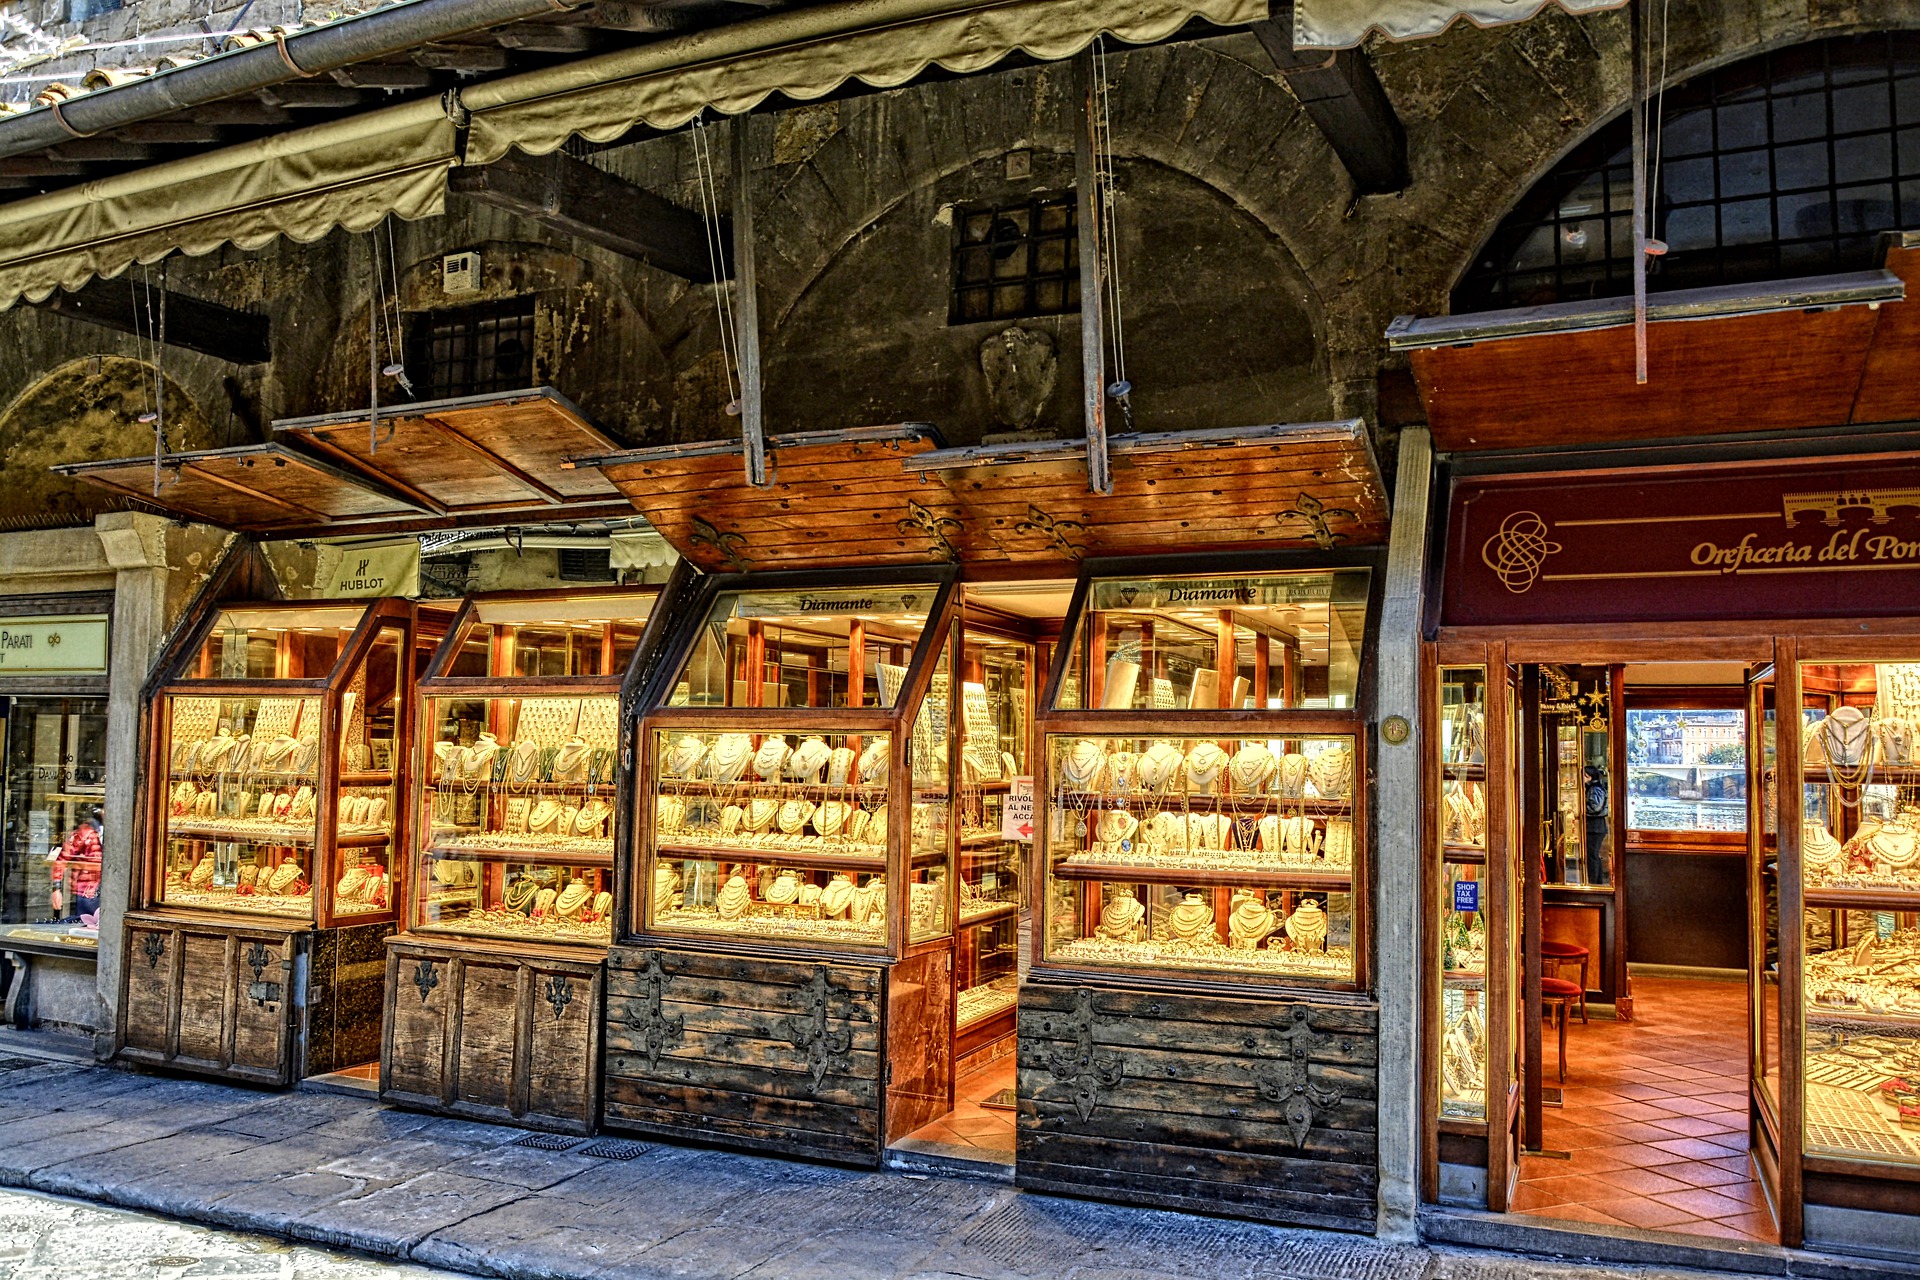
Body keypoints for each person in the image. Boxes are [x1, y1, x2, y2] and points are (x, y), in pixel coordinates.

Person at [51, 807, 102, 921]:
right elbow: (61, 859)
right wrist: (56, 888)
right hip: (86, 891)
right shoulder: (84, 833)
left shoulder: (114, 831)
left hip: (103, 890)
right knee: (85, 924)